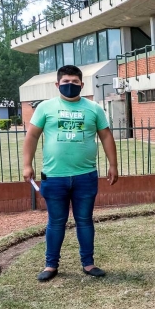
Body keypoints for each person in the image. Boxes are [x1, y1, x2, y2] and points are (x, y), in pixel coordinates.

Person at [23, 64, 118, 282]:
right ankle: (51, 265)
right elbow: (32, 136)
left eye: (75, 82)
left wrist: (113, 165)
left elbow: (105, 136)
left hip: (86, 176)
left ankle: (88, 263)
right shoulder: (45, 108)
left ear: (82, 85)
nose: (70, 86)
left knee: (84, 220)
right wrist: (27, 165)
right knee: (56, 221)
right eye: (65, 82)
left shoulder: (94, 109)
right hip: (54, 177)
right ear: (57, 84)